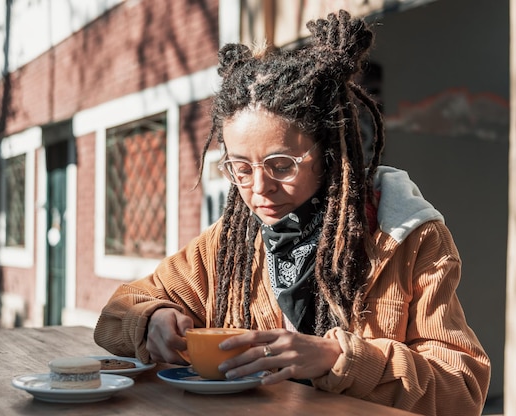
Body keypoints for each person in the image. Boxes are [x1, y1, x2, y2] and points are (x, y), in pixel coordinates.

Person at [94, 10, 490, 416]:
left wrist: (337, 357)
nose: (259, 189)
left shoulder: (407, 238)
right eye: (240, 169)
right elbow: (115, 314)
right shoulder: (230, 243)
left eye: (281, 166)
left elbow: (461, 390)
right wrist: (152, 318)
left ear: (328, 154)